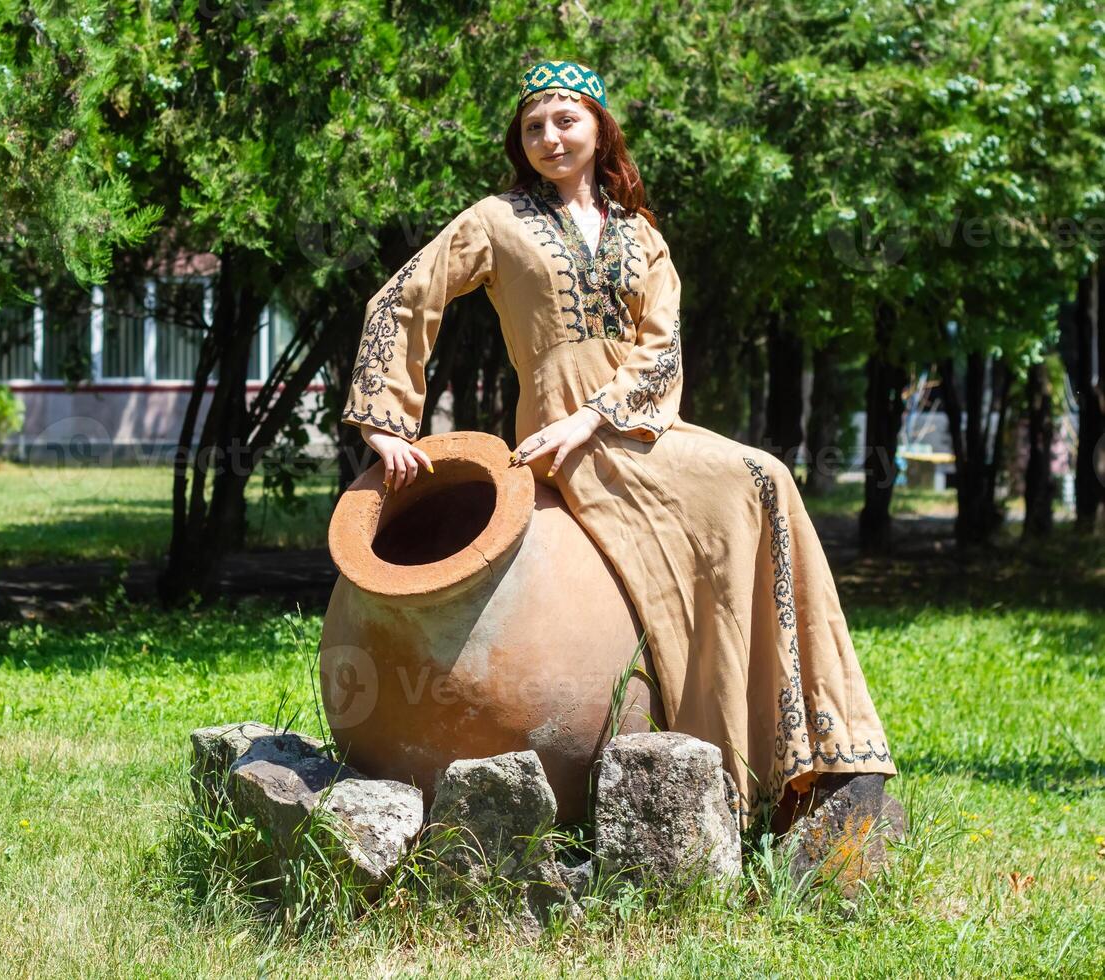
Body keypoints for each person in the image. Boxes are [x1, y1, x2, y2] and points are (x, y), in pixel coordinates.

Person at [339, 59, 897, 836]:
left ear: (601, 129)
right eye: (533, 125)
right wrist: (385, 419)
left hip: (633, 430)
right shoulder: (497, 220)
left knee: (764, 479)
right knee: (759, 477)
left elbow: (661, 349)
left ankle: (822, 747)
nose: (549, 136)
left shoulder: (643, 238)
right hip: (553, 441)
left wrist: (594, 417)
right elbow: (406, 293)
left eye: (565, 119)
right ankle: (746, 763)